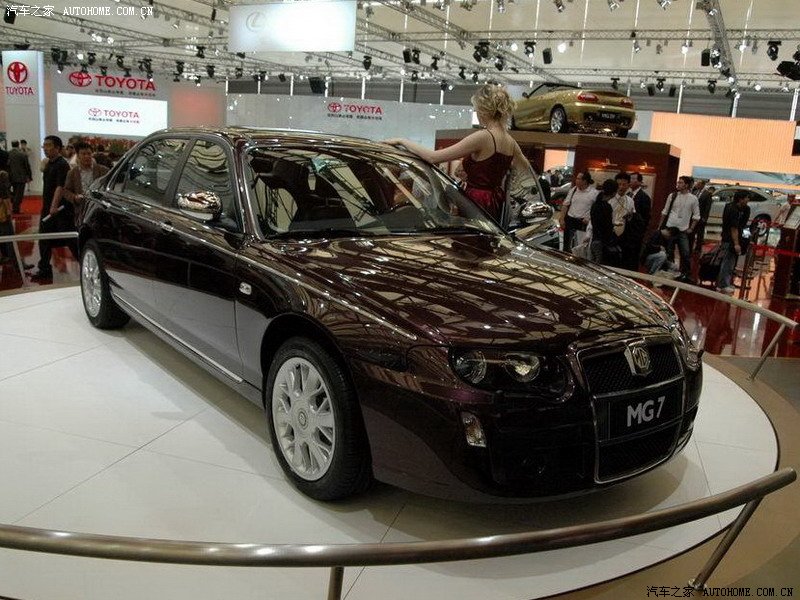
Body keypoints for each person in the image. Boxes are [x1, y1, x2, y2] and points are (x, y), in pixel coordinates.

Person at [383, 83, 530, 222]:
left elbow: (432, 157)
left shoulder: (483, 137)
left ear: (484, 110)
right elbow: (526, 168)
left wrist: (402, 141)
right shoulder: (510, 141)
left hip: (476, 203)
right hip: (496, 202)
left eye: (476, 109)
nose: (477, 113)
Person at [28, 135, 71, 281]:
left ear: (57, 148)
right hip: (48, 207)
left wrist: (53, 206)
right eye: (44, 145)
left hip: (58, 210)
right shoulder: (49, 163)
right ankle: (44, 268)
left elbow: (60, 187)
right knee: (44, 239)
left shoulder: (62, 164)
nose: (45, 148)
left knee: (68, 239)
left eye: (48, 145)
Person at [661, 175, 700, 282]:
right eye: (678, 182)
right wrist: (660, 226)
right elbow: (665, 211)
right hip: (670, 228)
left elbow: (696, 216)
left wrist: (691, 228)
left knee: (685, 253)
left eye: (681, 182)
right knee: (669, 252)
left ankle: (686, 274)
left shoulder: (693, 198)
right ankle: (670, 272)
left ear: (686, 185)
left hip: (683, 230)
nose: (678, 184)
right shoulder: (672, 196)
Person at [716, 190, 751, 293]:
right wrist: (736, 244)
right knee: (728, 262)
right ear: (740, 199)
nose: (748, 200)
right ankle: (722, 285)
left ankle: (725, 282)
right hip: (729, 239)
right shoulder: (732, 209)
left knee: (730, 262)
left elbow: (742, 225)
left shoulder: (741, 208)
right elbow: (733, 228)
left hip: (731, 238)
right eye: (747, 198)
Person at [559, 171, 598, 251]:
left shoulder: (594, 193)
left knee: (580, 247)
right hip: (570, 221)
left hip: (582, 223)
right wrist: (562, 219)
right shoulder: (573, 190)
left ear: (585, 181)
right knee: (566, 245)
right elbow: (565, 205)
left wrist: (590, 219)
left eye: (578, 179)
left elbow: (596, 210)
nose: (576, 180)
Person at [589, 179, 620, 266]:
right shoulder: (607, 207)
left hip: (594, 239)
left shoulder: (595, 204)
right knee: (600, 266)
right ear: (614, 192)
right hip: (603, 242)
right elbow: (607, 227)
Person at [8, 140, 33, 214]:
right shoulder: (22, 154)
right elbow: (27, 166)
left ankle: (13, 201)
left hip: (11, 176)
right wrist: (29, 176)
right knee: (19, 194)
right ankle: (16, 209)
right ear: (18, 144)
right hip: (21, 177)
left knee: (13, 192)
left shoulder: (8, 154)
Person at [692, 184, 716, 253]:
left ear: (702, 185)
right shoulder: (694, 192)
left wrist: (705, 217)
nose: (697, 185)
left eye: (699, 184)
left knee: (700, 233)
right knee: (692, 233)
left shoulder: (707, 194)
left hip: (701, 216)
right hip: (693, 216)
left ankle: (698, 248)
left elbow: (707, 207)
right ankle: (690, 246)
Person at [0, 170, 14, 263]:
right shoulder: (3, 186)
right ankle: (13, 258)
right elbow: (5, 199)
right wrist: (9, 211)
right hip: (3, 214)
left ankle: (4, 256)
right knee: (9, 236)